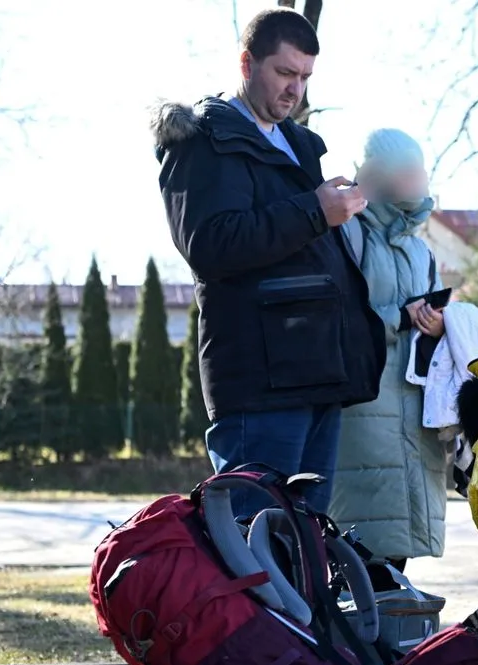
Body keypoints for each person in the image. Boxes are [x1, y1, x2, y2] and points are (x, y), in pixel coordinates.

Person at [152, 8, 384, 515]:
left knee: (304, 552)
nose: (295, 90)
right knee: (253, 548)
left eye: (305, 77)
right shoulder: (201, 141)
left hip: (317, 375)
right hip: (258, 385)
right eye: (284, 72)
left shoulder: (301, 146)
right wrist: (315, 210)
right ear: (245, 63)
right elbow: (210, 245)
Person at [329, 129, 448, 568]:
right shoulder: (347, 236)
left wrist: (437, 324)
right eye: (411, 170)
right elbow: (337, 317)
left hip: (414, 412)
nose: (422, 179)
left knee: (396, 551)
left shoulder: (421, 250)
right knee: (360, 544)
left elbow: (432, 318)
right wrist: (400, 316)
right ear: (380, 175)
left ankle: (390, 633)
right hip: (365, 412)